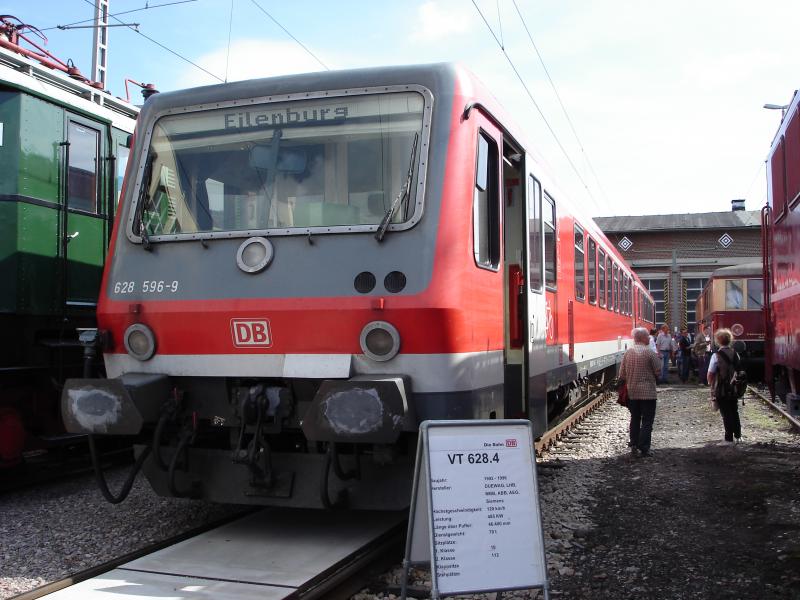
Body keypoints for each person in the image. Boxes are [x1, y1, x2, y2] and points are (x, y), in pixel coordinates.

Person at [619, 327, 662, 457]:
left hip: (632, 392)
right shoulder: (650, 353)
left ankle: (634, 444)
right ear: (642, 338)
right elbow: (658, 371)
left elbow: (622, 374)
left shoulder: (628, 353)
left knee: (635, 418)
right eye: (647, 336)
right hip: (648, 393)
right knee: (647, 421)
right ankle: (644, 447)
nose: (649, 338)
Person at [707, 328, 742, 443]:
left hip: (721, 388)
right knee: (734, 411)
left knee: (726, 413)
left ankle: (728, 439)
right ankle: (738, 436)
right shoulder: (735, 354)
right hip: (734, 387)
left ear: (718, 341)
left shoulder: (716, 356)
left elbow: (710, 374)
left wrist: (710, 384)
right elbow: (738, 370)